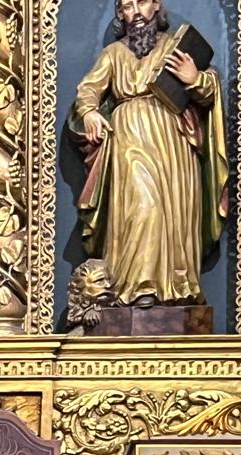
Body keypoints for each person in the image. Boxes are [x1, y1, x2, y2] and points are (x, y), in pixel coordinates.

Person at [69, 0, 227, 308]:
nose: (136, 13)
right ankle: (137, 284)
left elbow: (209, 90)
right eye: (127, 7)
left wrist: (194, 78)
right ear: (121, 16)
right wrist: (88, 112)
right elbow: (88, 90)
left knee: (178, 211)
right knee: (143, 204)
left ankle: (178, 286)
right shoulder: (114, 54)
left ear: (156, 7)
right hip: (130, 136)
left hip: (175, 139)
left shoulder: (175, 47)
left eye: (141, 3)